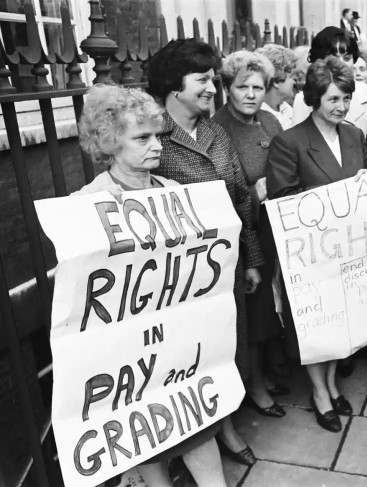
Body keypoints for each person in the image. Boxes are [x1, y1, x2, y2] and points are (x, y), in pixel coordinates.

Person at [76, 84, 227, 486]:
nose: (156, 146)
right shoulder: (87, 203)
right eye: (141, 138)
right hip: (130, 356)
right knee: (147, 441)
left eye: (157, 136)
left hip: (179, 347)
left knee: (197, 431)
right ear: (109, 143)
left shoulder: (175, 194)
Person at [147, 38, 263, 464]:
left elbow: (242, 202)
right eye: (203, 79)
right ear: (173, 86)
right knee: (187, 359)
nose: (213, 87)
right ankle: (192, 441)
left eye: (214, 78)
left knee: (224, 350)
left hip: (225, 268)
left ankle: (226, 427)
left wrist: (250, 258)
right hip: (180, 279)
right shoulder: (152, 137)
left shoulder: (215, 132)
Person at [267, 56, 367, 432]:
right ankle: (319, 392)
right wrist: (335, 196)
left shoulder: (354, 135)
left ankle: (331, 383)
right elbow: (283, 200)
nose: (341, 107)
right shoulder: (289, 142)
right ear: (314, 99)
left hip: (348, 249)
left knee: (341, 321)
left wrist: (364, 182)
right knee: (316, 324)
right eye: (332, 100)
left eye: (346, 98)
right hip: (311, 253)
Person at [211, 50, 290, 418]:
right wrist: (257, 194)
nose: (251, 94)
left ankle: (271, 371)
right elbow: (221, 193)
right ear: (227, 87)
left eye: (259, 87)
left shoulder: (271, 121)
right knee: (254, 314)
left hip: (279, 229)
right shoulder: (218, 128)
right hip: (246, 235)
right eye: (243, 86)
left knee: (275, 305)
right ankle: (254, 386)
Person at [292, 26, 367, 135]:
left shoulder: (366, 92)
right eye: (334, 57)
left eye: (347, 58)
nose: (341, 63)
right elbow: (299, 141)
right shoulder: (303, 99)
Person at [256, 44, 297, 130]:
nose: (294, 82)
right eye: (291, 77)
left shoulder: (286, 108)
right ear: (276, 81)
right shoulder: (260, 116)